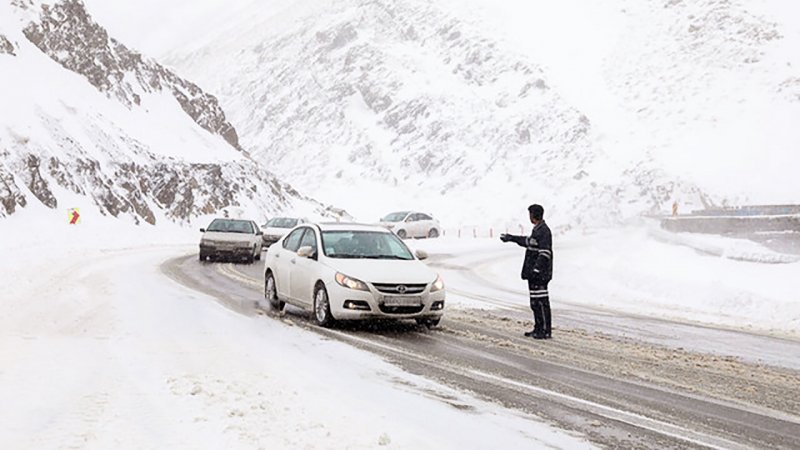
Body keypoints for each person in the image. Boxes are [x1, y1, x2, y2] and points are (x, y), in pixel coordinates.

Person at [500, 204, 553, 339]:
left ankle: (545, 330)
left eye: (530, 214)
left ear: (533, 215)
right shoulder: (537, 230)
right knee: (534, 303)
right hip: (534, 274)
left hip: (540, 275)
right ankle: (538, 328)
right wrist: (511, 238)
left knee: (541, 302)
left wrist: (537, 269)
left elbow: (545, 253)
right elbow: (527, 242)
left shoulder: (544, 231)